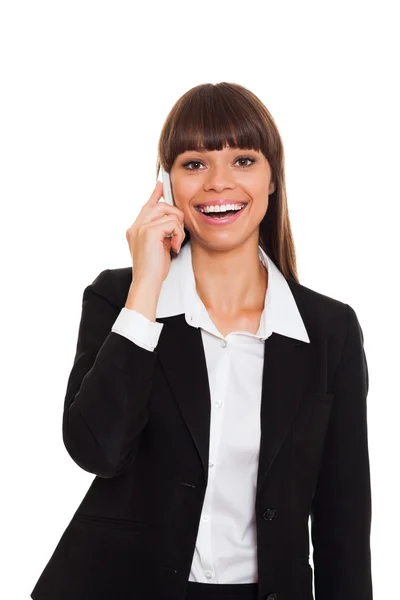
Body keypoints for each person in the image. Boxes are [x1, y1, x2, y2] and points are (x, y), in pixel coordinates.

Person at [30, 82, 373, 600]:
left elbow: (342, 522)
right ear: (166, 184)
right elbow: (96, 450)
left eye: (242, 160)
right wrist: (146, 285)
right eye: (194, 164)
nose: (218, 183)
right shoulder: (119, 299)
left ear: (273, 177)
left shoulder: (329, 329)